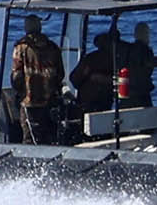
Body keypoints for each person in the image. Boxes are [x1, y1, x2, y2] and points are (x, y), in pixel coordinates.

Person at [10, 14, 64, 144]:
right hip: (50, 101)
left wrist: (20, 92)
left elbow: (16, 77)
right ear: (40, 27)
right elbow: (60, 74)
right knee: (50, 137)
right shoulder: (53, 47)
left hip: (30, 102)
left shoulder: (21, 48)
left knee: (30, 138)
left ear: (26, 28)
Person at [121, 22, 157, 107]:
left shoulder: (128, 49)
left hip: (128, 89)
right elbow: (147, 62)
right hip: (139, 91)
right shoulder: (142, 49)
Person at [70, 30, 118, 115]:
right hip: (105, 104)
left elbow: (74, 79)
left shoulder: (90, 59)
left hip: (88, 104)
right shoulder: (118, 60)